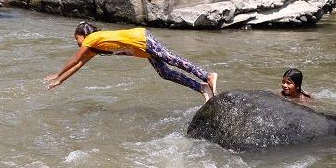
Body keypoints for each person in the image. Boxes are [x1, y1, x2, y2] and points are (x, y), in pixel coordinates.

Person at [45, 22, 217, 101]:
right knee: (165, 73)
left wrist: (58, 73)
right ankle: (201, 87)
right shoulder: (95, 47)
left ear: (84, 35)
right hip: (142, 49)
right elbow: (79, 64)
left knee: (169, 58)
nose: (77, 42)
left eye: (77, 39)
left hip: (141, 39)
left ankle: (207, 75)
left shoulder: (92, 38)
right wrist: (60, 80)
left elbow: (75, 58)